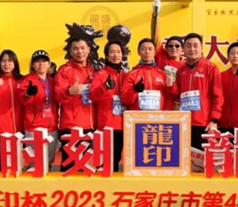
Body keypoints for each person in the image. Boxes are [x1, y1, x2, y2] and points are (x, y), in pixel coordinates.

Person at [169, 33, 224, 157]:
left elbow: (218, 96)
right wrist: (170, 85)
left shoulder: (211, 68)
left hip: (204, 123)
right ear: (184, 49)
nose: (192, 49)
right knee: (185, 160)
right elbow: (177, 95)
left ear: (202, 49)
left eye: (195, 46)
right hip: (185, 123)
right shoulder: (181, 70)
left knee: (203, 161)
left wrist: (214, 120)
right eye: (188, 46)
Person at [54, 38, 96, 172]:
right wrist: (69, 91)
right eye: (76, 49)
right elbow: (58, 95)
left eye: (83, 48)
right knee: (70, 166)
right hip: (72, 125)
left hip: (90, 124)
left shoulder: (93, 70)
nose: (80, 52)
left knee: (85, 166)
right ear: (70, 52)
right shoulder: (65, 71)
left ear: (88, 50)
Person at [90, 41, 127, 171]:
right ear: (106, 55)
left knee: (116, 158)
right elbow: (92, 96)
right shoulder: (100, 74)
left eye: (118, 52)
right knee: (105, 160)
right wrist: (104, 86)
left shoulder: (126, 74)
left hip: (123, 123)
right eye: (112, 52)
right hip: (106, 123)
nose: (116, 55)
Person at [20, 50, 59, 168]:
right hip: (34, 127)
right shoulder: (27, 80)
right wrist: (28, 94)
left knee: (49, 160)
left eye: (44, 61)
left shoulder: (53, 81)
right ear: (32, 65)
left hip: (51, 126)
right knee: (35, 162)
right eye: (37, 62)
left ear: (49, 64)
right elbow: (23, 99)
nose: (41, 64)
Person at [0, 50, 24, 170]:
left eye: (10, 61)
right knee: (4, 165)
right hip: (1, 128)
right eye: (3, 61)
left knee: (18, 164)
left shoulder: (22, 80)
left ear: (15, 63)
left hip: (20, 128)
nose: (6, 64)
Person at [121, 38, 171, 111]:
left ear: (154, 52)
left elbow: (169, 99)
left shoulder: (163, 74)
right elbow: (125, 100)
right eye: (143, 49)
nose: (147, 52)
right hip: (138, 117)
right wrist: (134, 90)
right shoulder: (131, 74)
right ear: (138, 52)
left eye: (150, 49)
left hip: (159, 116)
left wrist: (166, 115)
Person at [155, 35, 186, 110]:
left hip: (177, 104)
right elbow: (156, 37)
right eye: (170, 46)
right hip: (160, 102)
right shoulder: (161, 56)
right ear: (166, 48)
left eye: (177, 46)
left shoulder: (186, 66)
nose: (174, 48)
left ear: (182, 49)